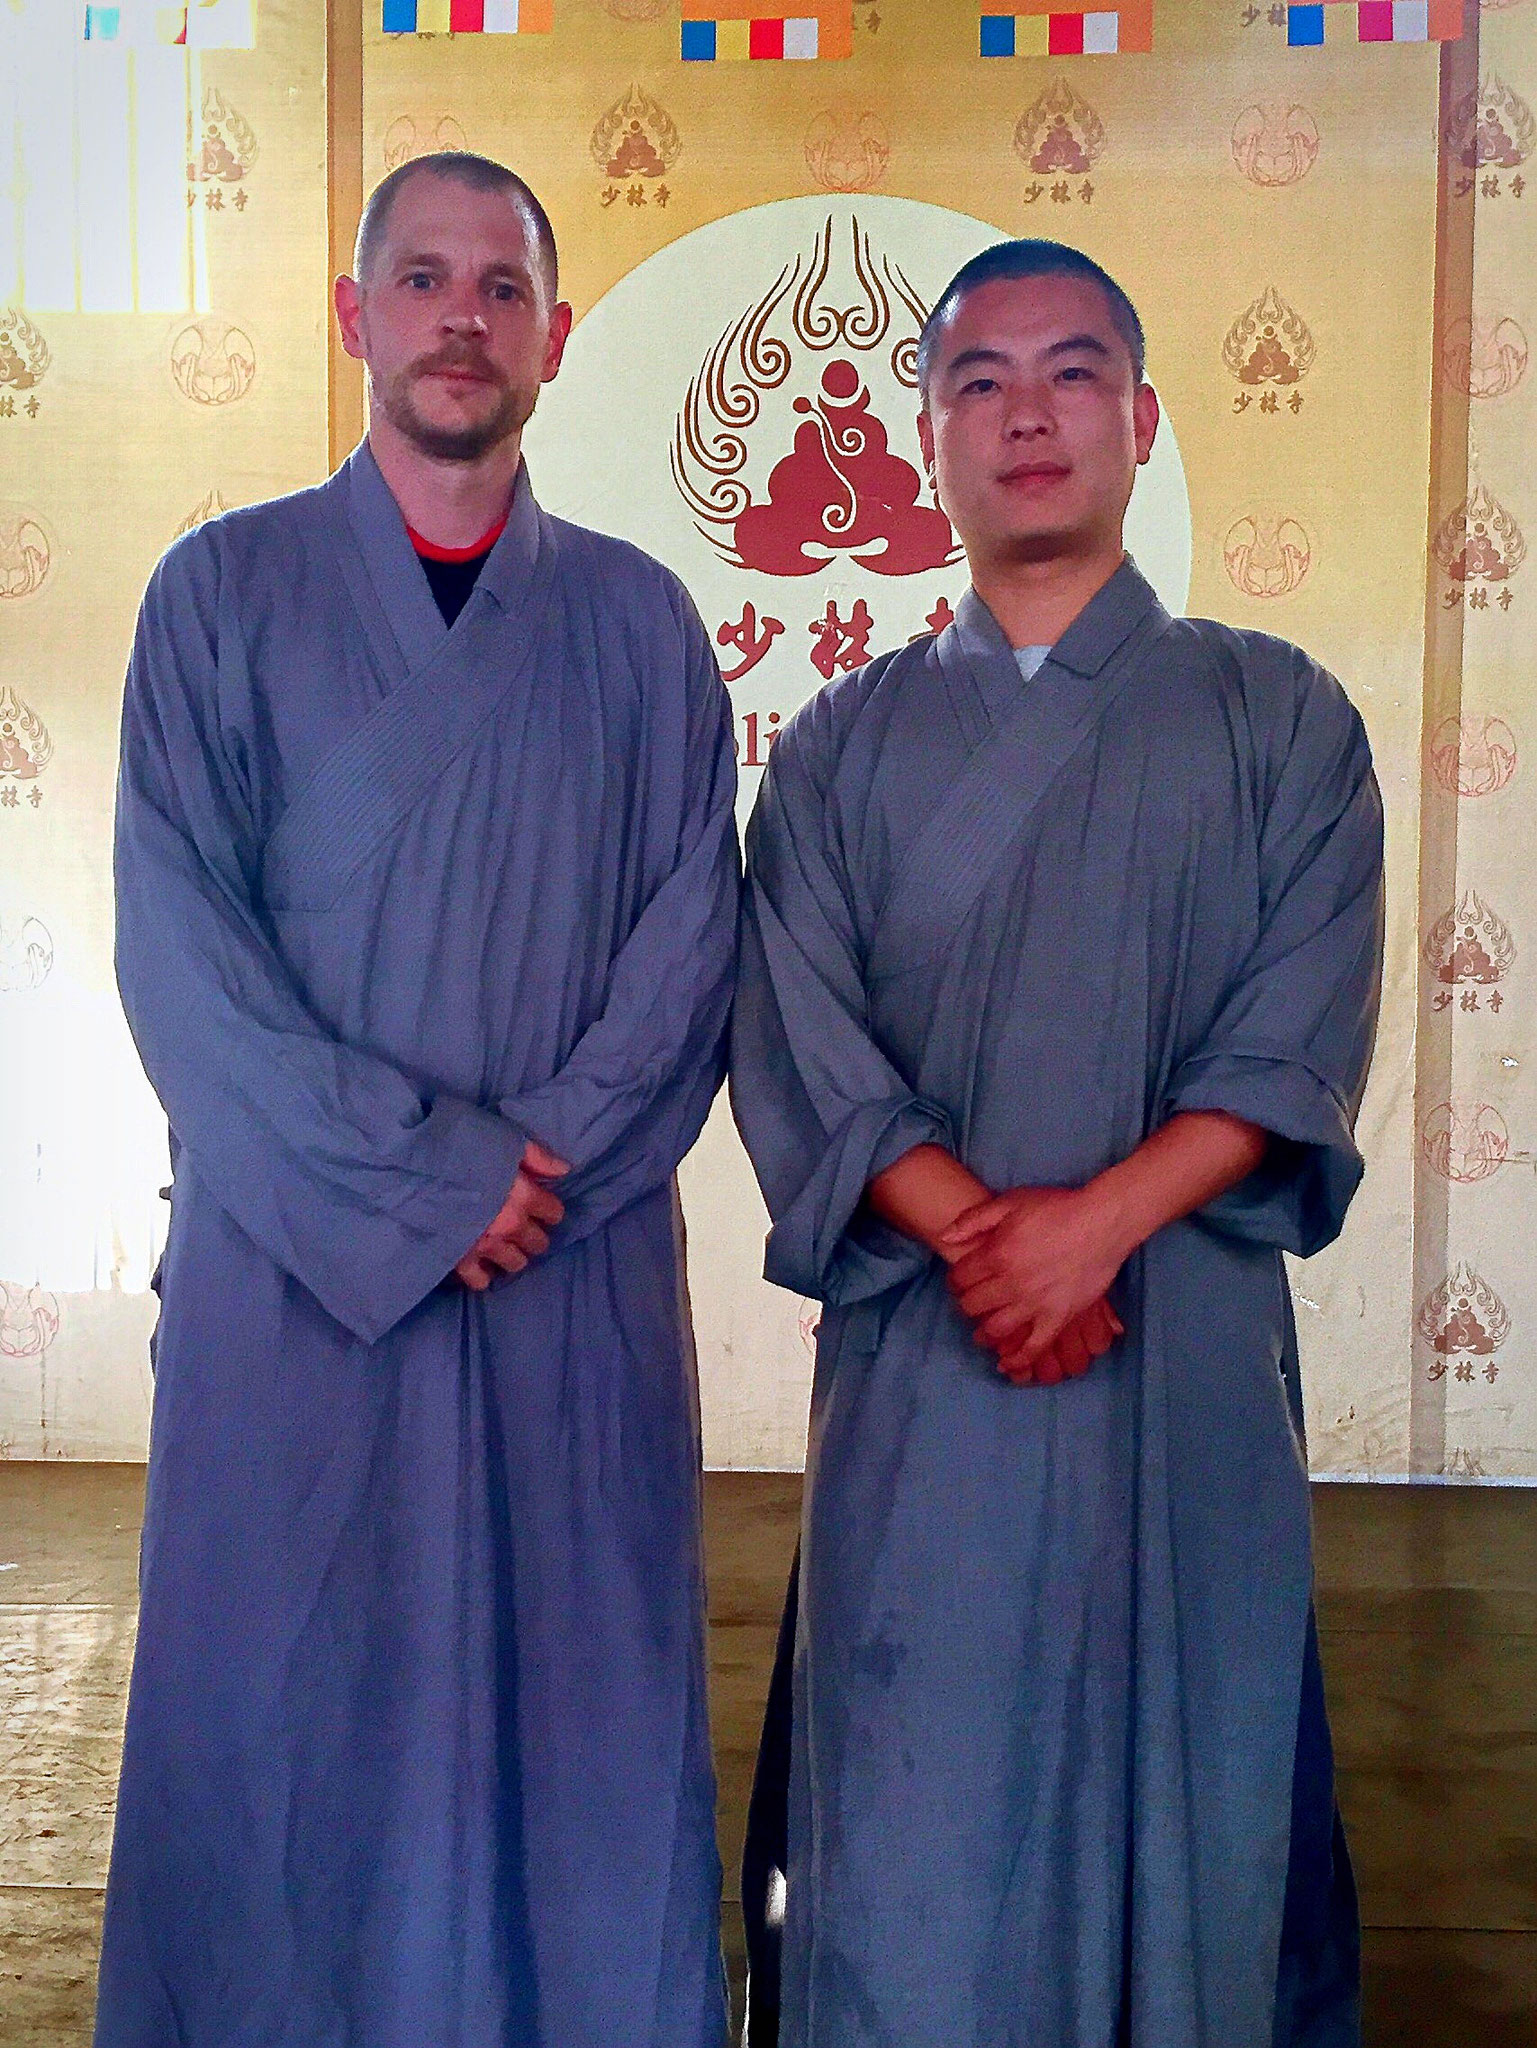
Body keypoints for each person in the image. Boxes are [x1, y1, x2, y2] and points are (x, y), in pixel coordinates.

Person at [99, 152, 738, 2048]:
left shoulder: (639, 624)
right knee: (281, 1723)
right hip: (297, 1290)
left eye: (502, 286)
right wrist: (428, 1182)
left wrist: (527, 1182)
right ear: (353, 315)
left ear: (554, 333)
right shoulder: (218, 596)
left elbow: (690, 952)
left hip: (566, 1277)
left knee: (577, 1722)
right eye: (425, 278)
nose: (464, 317)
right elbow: (181, 959)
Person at [730, 239, 1383, 2048]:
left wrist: (1088, 1230)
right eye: (980, 380)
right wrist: (985, 1237)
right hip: (927, 1371)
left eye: (1071, 372)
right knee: (907, 1807)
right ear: (926, 437)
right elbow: (794, 1028)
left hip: (1178, 1356)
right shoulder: (836, 746)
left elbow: (1298, 1023)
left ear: (1142, 419)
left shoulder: (1280, 716)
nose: (1027, 414)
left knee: (1195, 1786)